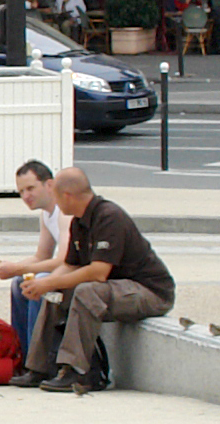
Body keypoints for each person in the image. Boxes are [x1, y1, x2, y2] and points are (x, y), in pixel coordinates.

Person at [14, 166, 173, 392]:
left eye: (57, 197)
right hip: (115, 289)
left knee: (86, 291)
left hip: (149, 292)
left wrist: (49, 282)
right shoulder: (79, 221)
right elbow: (70, 265)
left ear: (67, 196)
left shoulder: (109, 217)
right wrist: (43, 286)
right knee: (54, 293)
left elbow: (98, 272)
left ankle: (77, 371)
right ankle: (39, 368)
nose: (56, 203)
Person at [0, 159, 68, 358]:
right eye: (21, 191)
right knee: (19, 282)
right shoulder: (46, 214)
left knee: (37, 282)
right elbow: (41, 256)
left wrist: (17, 269)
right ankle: (23, 354)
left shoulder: (65, 211)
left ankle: (37, 360)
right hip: (67, 270)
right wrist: (10, 267)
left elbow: (64, 260)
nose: (26, 196)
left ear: (49, 185)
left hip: (83, 273)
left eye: (31, 188)